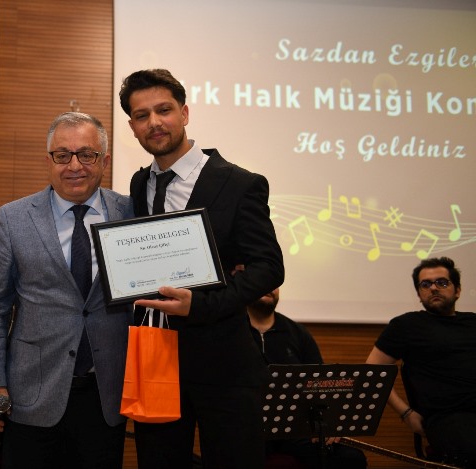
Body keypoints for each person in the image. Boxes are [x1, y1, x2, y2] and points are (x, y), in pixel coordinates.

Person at [119, 68, 285, 469]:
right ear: (133, 127)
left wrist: (203, 305)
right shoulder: (139, 184)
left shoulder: (240, 183)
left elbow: (268, 267)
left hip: (224, 360)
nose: (154, 122)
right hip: (154, 357)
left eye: (164, 110)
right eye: (142, 116)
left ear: (185, 113)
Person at [0, 112, 134, 469]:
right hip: (32, 394)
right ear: (49, 160)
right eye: (62, 155)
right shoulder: (15, 218)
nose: (74, 166)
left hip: (107, 395)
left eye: (87, 154)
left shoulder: (129, 212)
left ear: (105, 160)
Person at [366, 257, 476, 468]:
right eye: (425, 284)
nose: (433, 288)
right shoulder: (406, 325)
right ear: (419, 294)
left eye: (441, 282)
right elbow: (372, 371)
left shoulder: (473, 322)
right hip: (448, 418)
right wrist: (405, 413)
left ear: (458, 290)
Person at [247, 288, 367, 469]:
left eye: (274, 283)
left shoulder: (297, 332)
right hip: (245, 428)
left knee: (351, 458)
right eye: (262, 281)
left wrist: (330, 425)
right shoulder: (231, 331)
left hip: (294, 430)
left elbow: (321, 385)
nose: (269, 287)